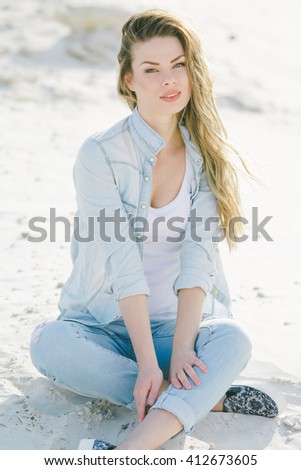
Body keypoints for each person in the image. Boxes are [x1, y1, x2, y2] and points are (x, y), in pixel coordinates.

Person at [29, 9, 278, 450]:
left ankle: (128, 451)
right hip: (100, 325)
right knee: (50, 345)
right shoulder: (100, 153)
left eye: (177, 65)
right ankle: (200, 400)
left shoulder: (204, 156)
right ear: (129, 80)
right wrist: (146, 362)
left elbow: (197, 260)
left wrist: (181, 349)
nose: (169, 80)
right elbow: (120, 259)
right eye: (152, 69)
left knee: (233, 339)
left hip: (171, 329)